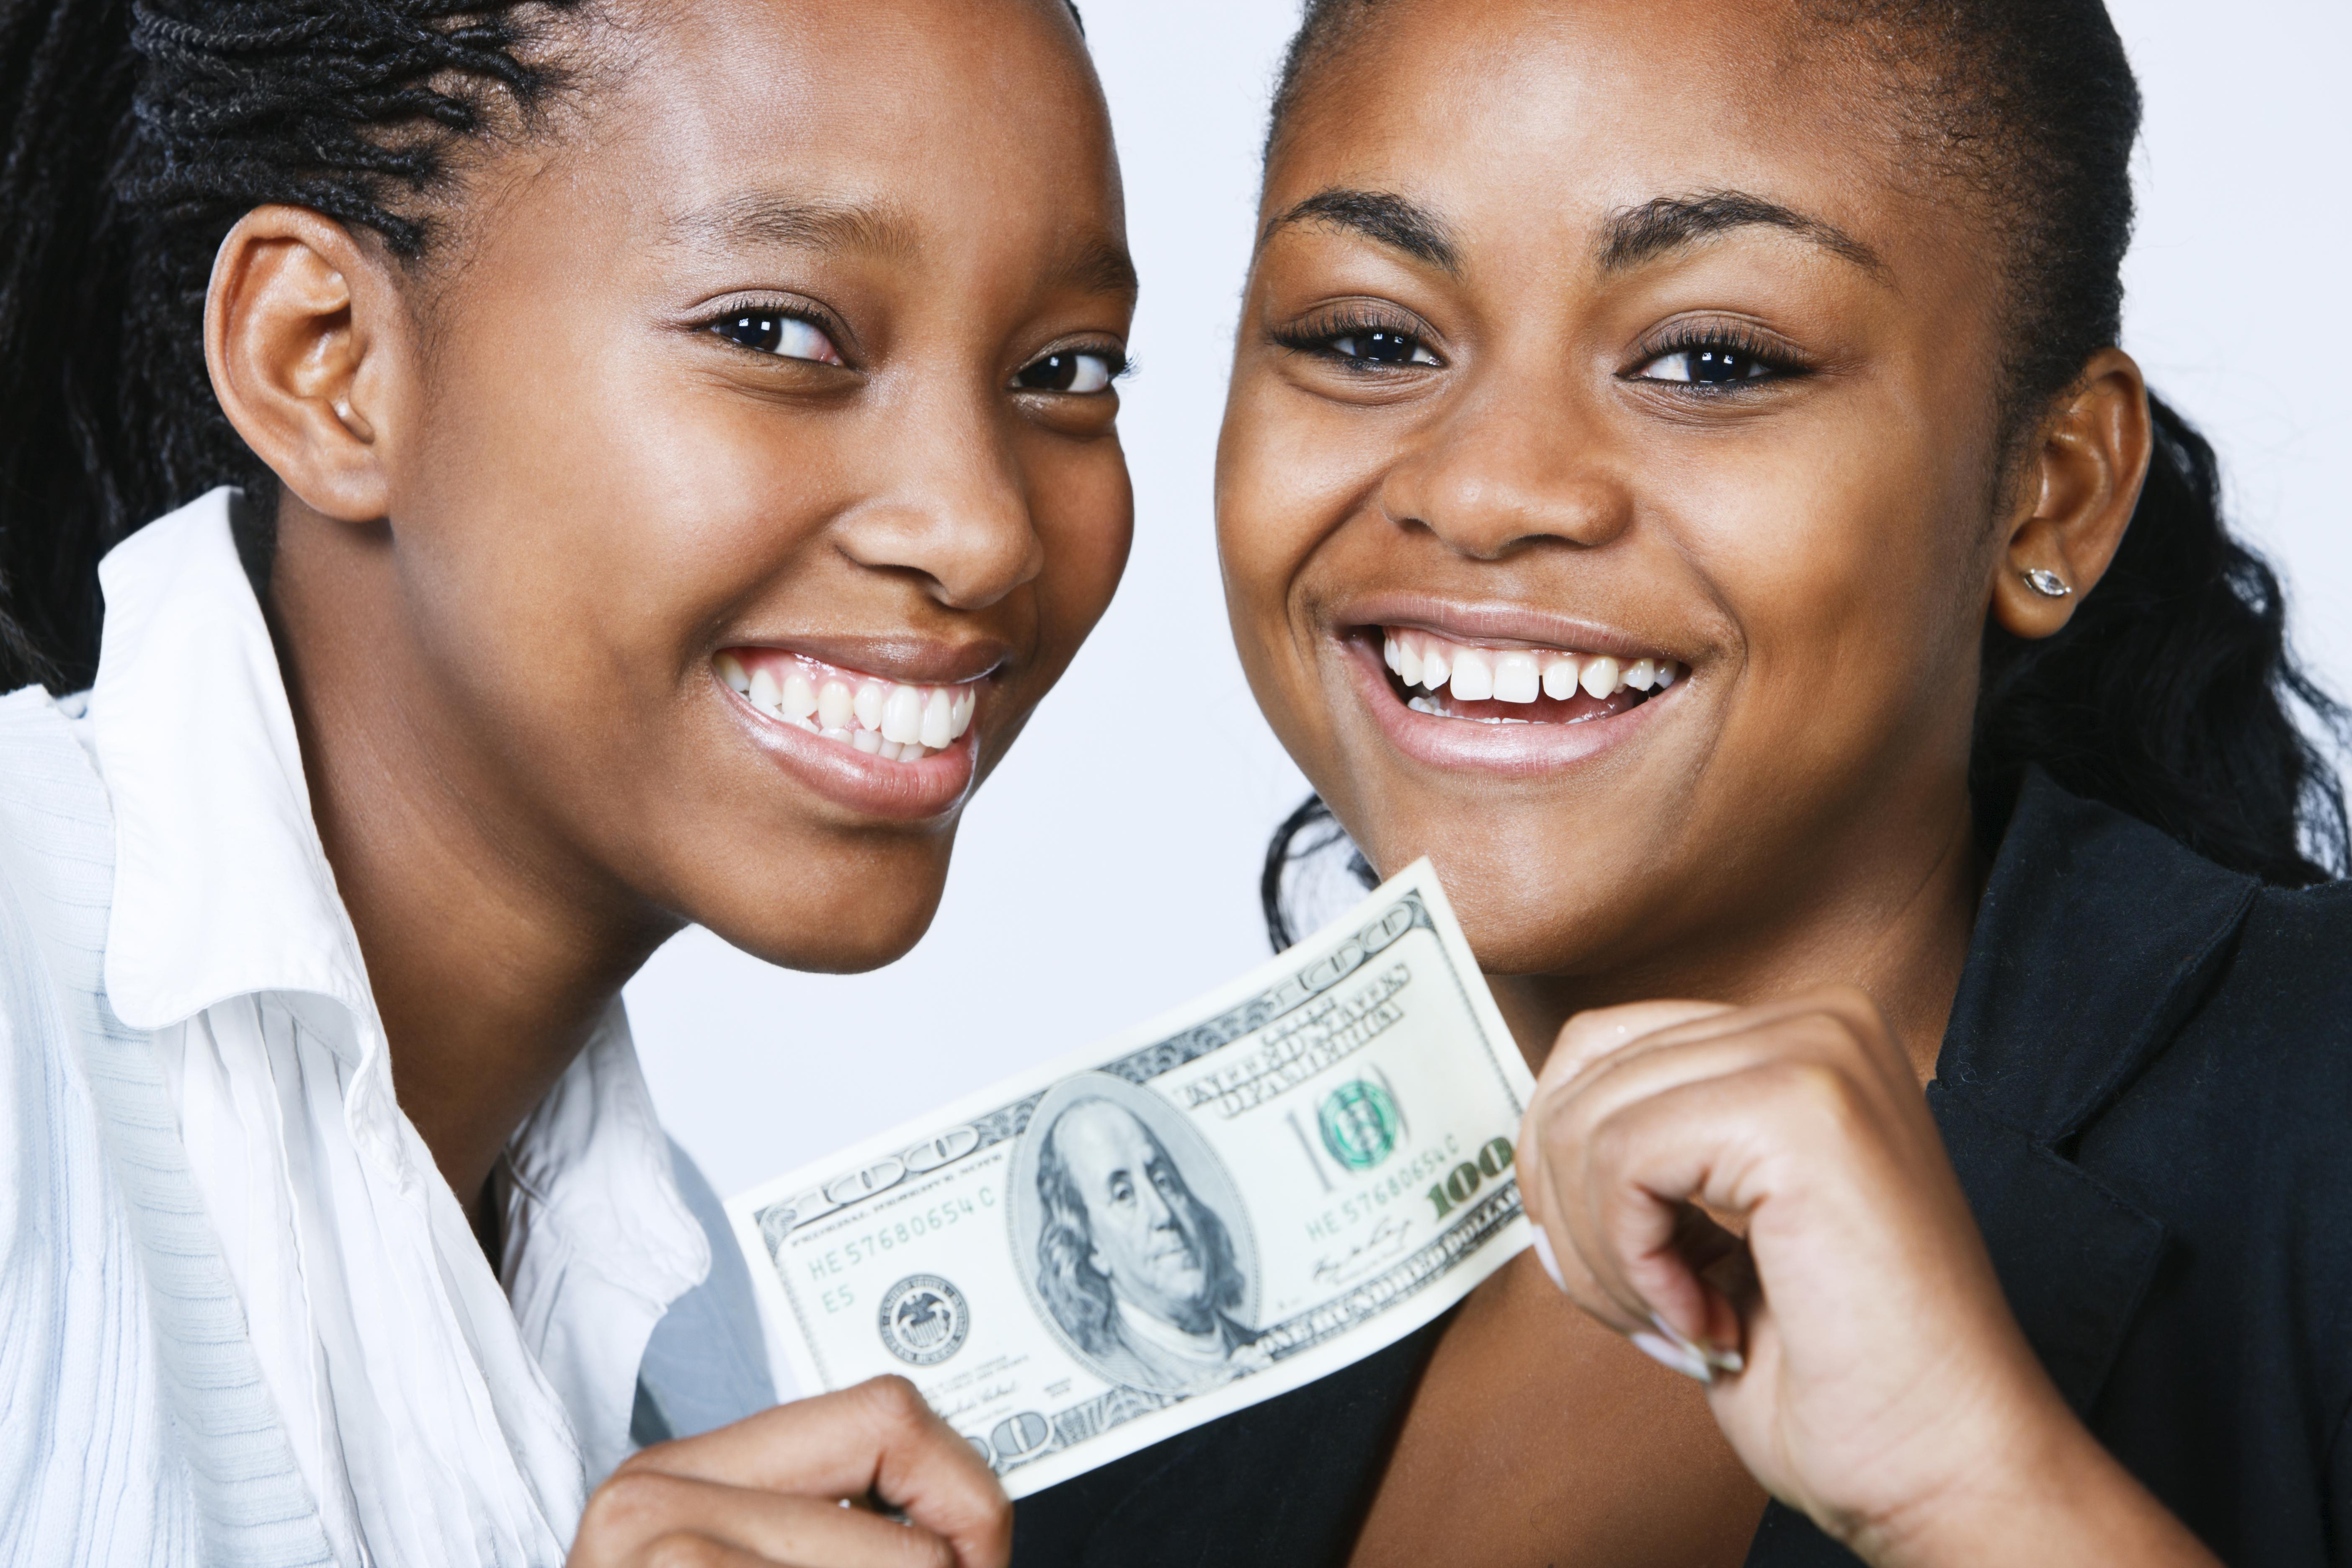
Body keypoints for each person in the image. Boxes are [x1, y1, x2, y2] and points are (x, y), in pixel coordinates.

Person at [1013, 0, 2351, 1564]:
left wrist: (1981, 1497)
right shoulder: (1111, 1392)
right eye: (1367, 339)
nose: (1485, 488)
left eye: (1712, 359)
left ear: (2048, 491)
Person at [0, 0, 1133, 1563]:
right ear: (323, 362)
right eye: (776, 333)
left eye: (1065, 368)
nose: (982, 530)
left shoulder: (692, 1338)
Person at [1033, 1097, 1261, 1395]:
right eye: (1124, 1195)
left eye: (1163, 1181)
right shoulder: (1118, 1380)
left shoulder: (1260, 1344)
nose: (1164, 1214)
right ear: (1091, 1247)